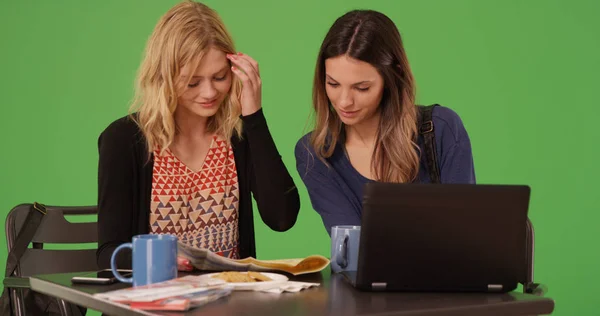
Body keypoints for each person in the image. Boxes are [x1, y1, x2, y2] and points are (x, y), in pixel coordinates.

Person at [97, 0, 300, 271]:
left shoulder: (237, 136)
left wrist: (254, 117)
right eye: (193, 82)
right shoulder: (123, 140)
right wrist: (165, 260)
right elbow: (108, 256)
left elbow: (282, 218)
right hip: (156, 308)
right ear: (164, 76)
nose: (209, 93)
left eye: (219, 77)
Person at [295, 10, 476, 235]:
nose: (344, 102)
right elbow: (355, 253)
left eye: (362, 88)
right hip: (369, 272)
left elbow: (464, 237)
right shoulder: (316, 154)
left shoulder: (441, 129)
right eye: (333, 84)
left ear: (392, 78)